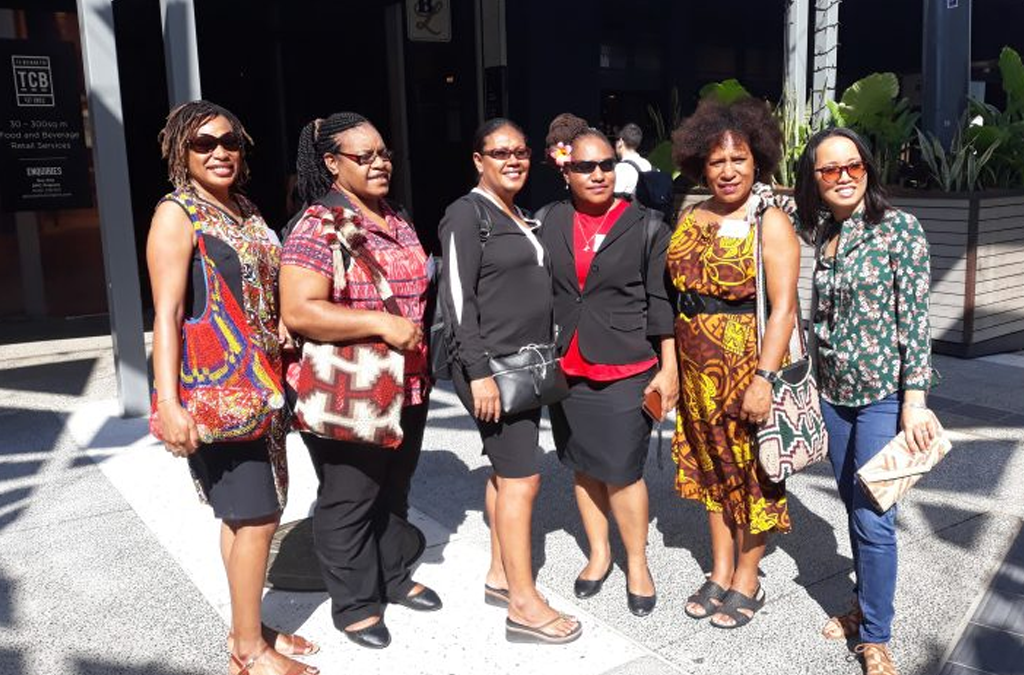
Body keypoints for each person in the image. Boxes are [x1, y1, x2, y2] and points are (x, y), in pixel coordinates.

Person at [147, 101, 318, 675]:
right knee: (259, 517)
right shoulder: (177, 215)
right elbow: (168, 316)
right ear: (180, 152)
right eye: (203, 144)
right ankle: (248, 652)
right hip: (217, 392)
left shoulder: (243, 210)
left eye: (229, 142)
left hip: (263, 386)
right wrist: (167, 403)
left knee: (245, 516)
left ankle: (250, 626)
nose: (220, 152)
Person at [279, 112, 440, 650]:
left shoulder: (394, 216)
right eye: (363, 157)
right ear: (332, 164)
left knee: (395, 487)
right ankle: (354, 604)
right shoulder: (316, 226)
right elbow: (301, 311)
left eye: (383, 154)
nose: (379, 164)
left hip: (407, 384)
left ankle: (392, 577)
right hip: (351, 388)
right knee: (349, 497)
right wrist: (379, 322)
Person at [794, 127, 937, 675]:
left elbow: (916, 320)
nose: (845, 177)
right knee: (854, 508)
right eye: (830, 170)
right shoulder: (823, 235)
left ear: (868, 169)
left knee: (876, 513)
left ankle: (876, 636)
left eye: (853, 165)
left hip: (882, 395)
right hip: (833, 396)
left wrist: (915, 399)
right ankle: (865, 607)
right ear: (815, 179)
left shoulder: (899, 230)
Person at [438, 118, 582, 645]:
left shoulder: (516, 214)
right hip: (493, 371)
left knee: (505, 474)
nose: (513, 160)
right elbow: (457, 302)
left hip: (523, 368)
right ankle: (523, 604)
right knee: (524, 479)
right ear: (479, 160)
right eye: (500, 153)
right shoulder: (465, 214)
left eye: (520, 151)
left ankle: (501, 576)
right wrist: (477, 374)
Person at [668, 97, 801, 629]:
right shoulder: (691, 212)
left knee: (752, 473)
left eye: (739, 159)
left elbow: (785, 307)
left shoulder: (769, 221)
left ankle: (749, 577)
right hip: (696, 365)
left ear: (758, 160)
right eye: (717, 160)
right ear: (701, 162)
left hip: (747, 365)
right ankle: (720, 568)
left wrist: (765, 379)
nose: (728, 170)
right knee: (711, 470)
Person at [539, 125, 678, 617]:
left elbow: (661, 304)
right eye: (584, 166)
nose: (597, 174)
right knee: (583, 465)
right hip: (566, 367)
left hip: (625, 364)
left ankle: (636, 564)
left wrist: (670, 367)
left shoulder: (646, 224)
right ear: (566, 171)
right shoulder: (548, 221)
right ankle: (599, 556)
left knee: (622, 471)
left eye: (604, 165)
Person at [613, 122, 652, 198]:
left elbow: (616, 197)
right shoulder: (646, 163)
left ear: (621, 142)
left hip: (628, 209)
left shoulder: (621, 168)